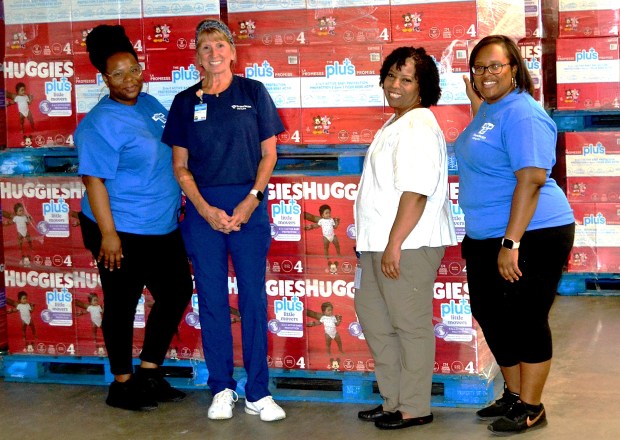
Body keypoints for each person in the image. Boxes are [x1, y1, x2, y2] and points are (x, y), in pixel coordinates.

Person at [161, 19, 286, 422]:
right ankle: (221, 387)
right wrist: (203, 208)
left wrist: (252, 200)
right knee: (212, 300)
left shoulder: (254, 92)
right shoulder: (184, 102)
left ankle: (258, 392)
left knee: (252, 297)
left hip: (248, 204)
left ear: (232, 52)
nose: (213, 53)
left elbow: (269, 155)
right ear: (196, 57)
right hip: (203, 210)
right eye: (204, 47)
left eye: (219, 45)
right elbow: (180, 167)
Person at [456, 35, 575, 436]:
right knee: (490, 314)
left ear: (515, 69)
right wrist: (470, 85)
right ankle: (512, 392)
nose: (486, 74)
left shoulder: (523, 114)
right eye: (479, 67)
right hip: (486, 235)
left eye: (495, 66)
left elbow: (531, 180)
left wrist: (511, 243)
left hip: (533, 233)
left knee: (526, 318)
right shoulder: (491, 110)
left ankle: (532, 406)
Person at [74, 25, 193, 411]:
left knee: (176, 293)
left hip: (161, 225)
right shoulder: (99, 123)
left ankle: (149, 372)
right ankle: (122, 384)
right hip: (119, 227)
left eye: (134, 69)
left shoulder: (150, 104)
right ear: (104, 79)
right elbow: (93, 181)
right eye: (119, 74)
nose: (129, 79)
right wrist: (108, 235)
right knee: (122, 303)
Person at [354, 46, 457, 430]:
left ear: (423, 86)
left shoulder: (417, 126)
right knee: (377, 321)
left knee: (408, 324)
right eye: (391, 76)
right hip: (377, 244)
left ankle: (414, 406)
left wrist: (394, 245)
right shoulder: (396, 123)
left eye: (406, 79)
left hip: (407, 245)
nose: (394, 85)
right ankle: (393, 399)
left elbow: (415, 193)